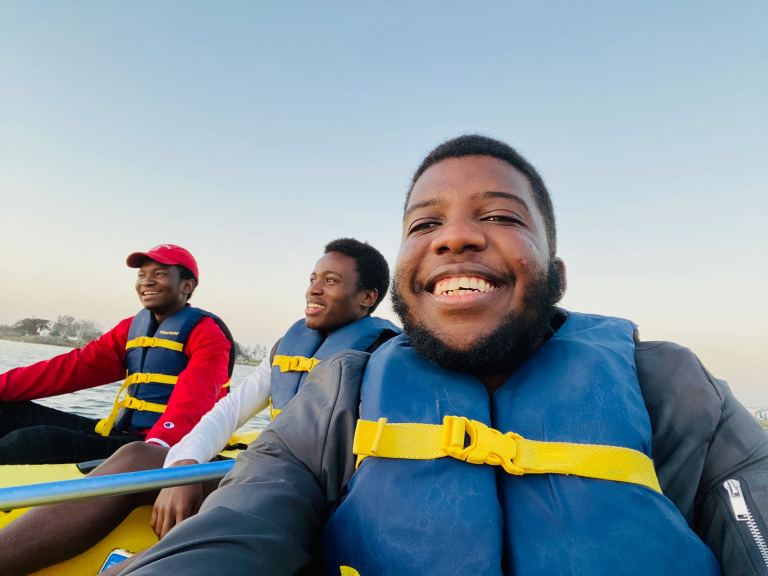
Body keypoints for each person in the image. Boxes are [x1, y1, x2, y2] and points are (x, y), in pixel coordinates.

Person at [116, 136, 768, 576]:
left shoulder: (672, 387)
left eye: (504, 217)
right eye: (424, 224)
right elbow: (230, 529)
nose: (454, 235)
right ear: (403, 278)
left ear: (556, 275)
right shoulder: (341, 394)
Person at [0, 238, 399, 576]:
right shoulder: (286, 345)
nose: (313, 289)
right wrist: (185, 467)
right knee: (139, 454)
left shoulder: (385, 355)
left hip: (313, 494)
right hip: (265, 473)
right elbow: (229, 410)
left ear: (367, 297)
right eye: (313, 279)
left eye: (330, 281)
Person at [0, 243, 234, 464]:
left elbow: (197, 397)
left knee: (33, 442)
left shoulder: (207, 333)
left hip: (167, 446)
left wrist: (154, 448)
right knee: (6, 412)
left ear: (187, 285)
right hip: (125, 435)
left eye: (160, 274)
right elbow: (72, 368)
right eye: (142, 275)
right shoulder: (131, 328)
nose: (147, 282)